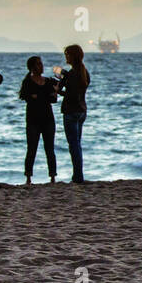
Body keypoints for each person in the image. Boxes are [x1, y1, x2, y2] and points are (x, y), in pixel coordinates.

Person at [19, 56, 58, 184]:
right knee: (32, 148)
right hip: (33, 119)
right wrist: (43, 96)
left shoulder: (48, 81)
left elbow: (53, 99)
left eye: (41, 64)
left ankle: (53, 176)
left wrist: (38, 96)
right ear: (32, 67)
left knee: (50, 148)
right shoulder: (28, 82)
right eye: (38, 64)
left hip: (47, 118)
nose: (41, 66)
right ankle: (28, 176)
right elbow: (25, 96)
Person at [56, 43, 90, 183]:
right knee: (77, 144)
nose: (66, 57)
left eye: (67, 55)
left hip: (71, 111)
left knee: (73, 145)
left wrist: (58, 90)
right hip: (82, 111)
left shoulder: (72, 74)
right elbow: (78, 91)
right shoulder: (84, 72)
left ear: (72, 56)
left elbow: (70, 94)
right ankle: (78, 175)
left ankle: (77, 176)